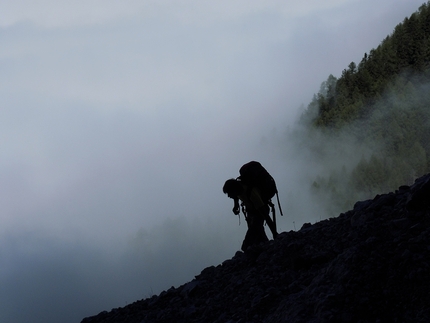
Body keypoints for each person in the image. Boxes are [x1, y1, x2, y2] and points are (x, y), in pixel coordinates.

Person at [223, 178, 277, 251]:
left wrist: (274, 233)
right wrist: (236, 205)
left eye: (229, 193)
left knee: (247, 244)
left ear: (234, 189)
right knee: (259, 233)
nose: (229, 196)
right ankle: (268, 248)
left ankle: (264, 250)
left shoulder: (251, 193)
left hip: (259, 211)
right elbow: (235, 196)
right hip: (251, 211)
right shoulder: (238, 190)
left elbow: (266, 215)